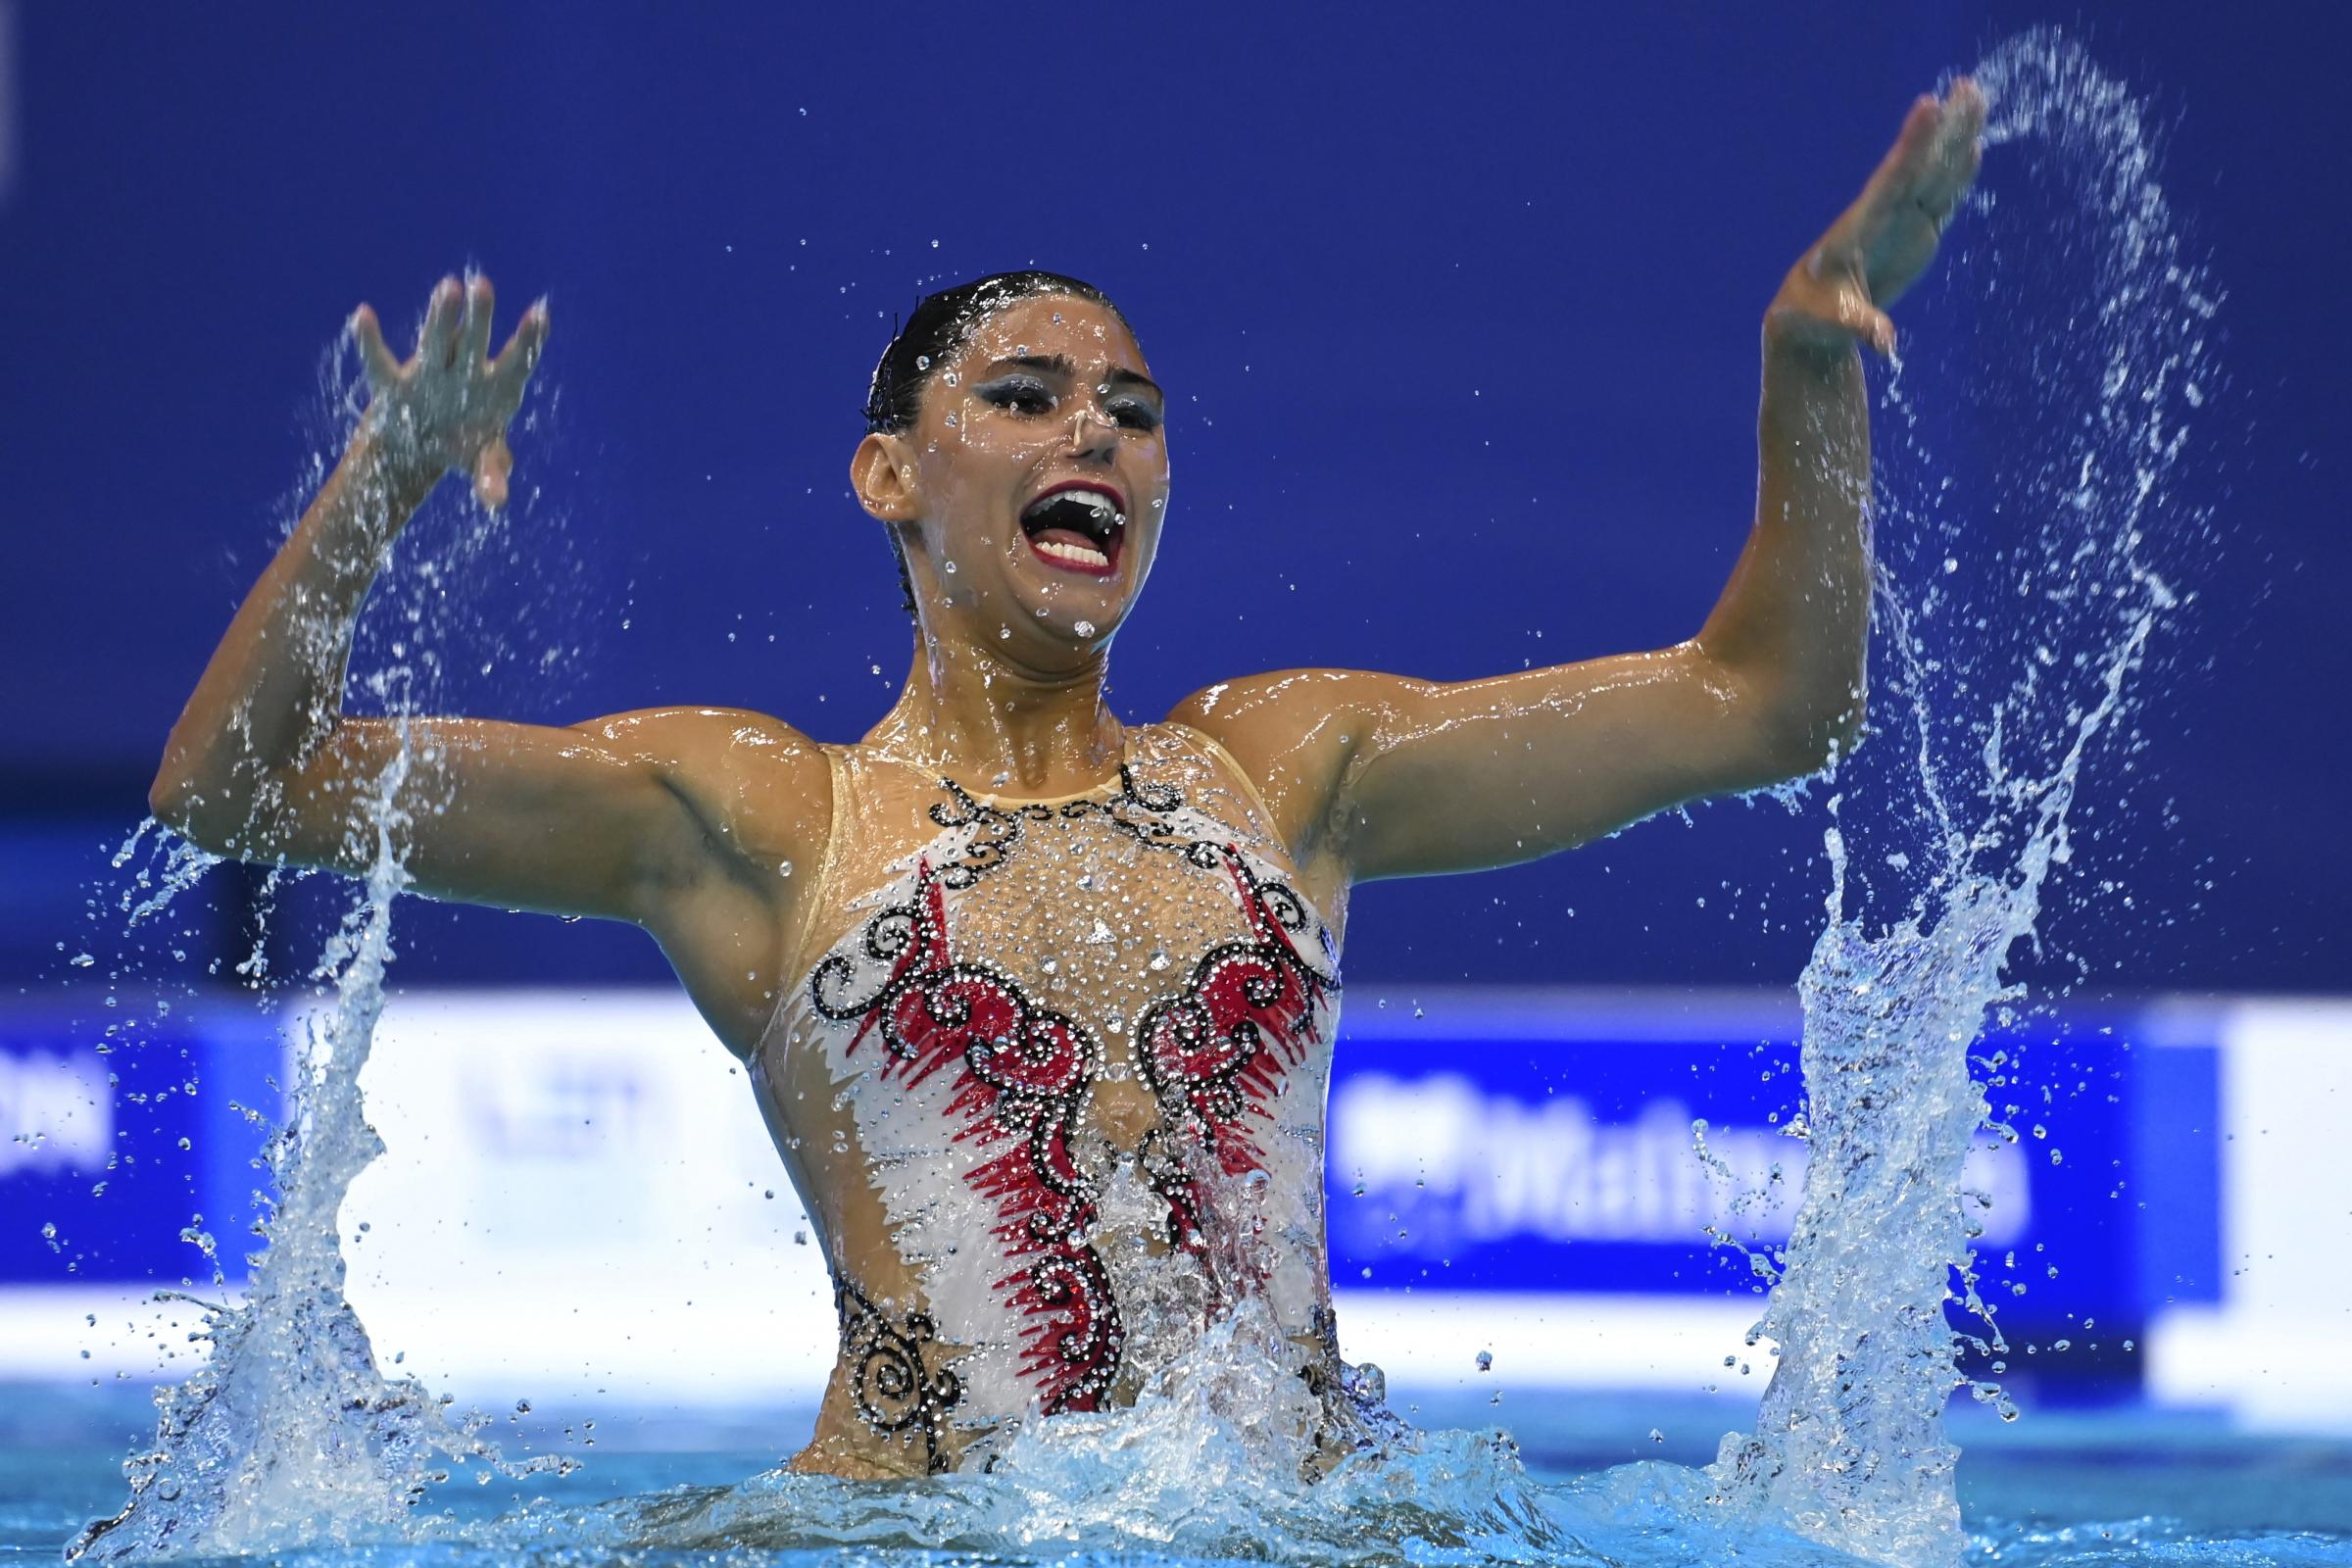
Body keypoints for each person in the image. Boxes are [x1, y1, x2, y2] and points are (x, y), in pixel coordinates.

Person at [149, 83, 1985, 1478]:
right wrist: (384, 483)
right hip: (912, 1532)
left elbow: (1765, 705)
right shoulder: (771, 819)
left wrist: (1807, 364)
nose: (1092, 425)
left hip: (1297, 1522)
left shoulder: (1287, 773)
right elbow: (234, 787)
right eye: (1022, 396)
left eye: (1132, 409)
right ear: (889, 475)